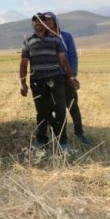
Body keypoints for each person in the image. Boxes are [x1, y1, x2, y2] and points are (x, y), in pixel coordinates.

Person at [19, 13, 79, 152]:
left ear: (45, 23)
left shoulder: (55, 40)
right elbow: (23, 64)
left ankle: (62, 142)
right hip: (37, 82)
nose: (37, 23)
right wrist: (23, 84)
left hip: (55, 79)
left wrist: (71, 77)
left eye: (41, 20)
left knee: (60, 111)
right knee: (41, 112)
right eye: (34, 21)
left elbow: (63, 61)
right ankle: (41, 139)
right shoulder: (27, 42)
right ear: (32, 24)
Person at [43, 12, 90, 146]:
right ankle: (57, 136)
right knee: (55, 109)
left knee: (73, 106)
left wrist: (73, 75)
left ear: (55, 21)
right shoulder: (43, 39)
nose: (47, 23)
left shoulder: (65, 36)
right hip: (50, 78)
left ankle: (79, 133)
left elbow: (73, 56)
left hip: (66, 76)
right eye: (44, 21)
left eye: (49, 20)